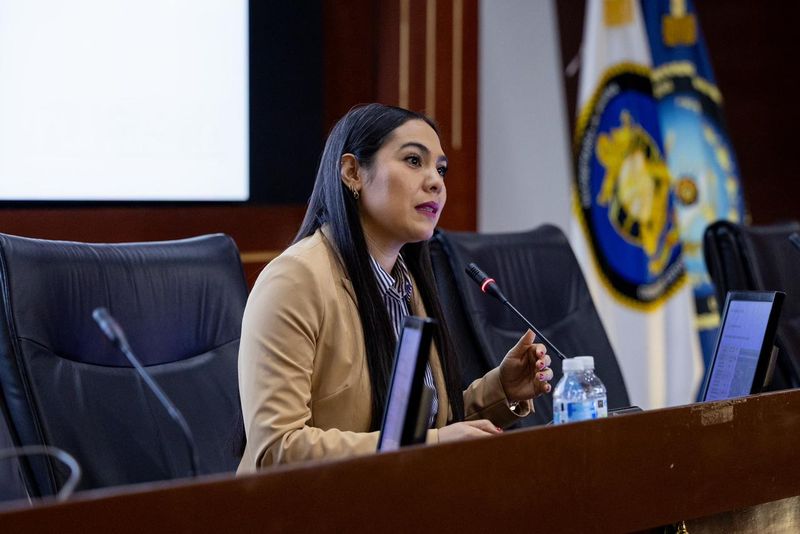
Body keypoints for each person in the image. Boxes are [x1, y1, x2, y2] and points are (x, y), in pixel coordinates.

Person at [237, 103, 553, 471]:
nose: (436, 181)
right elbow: (277, 449)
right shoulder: (294, 280)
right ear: (352, 172)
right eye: (414, 161)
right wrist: (432, 444)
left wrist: (503, 388)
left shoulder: (407, 283)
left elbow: (416, 427)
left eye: (440, 169)